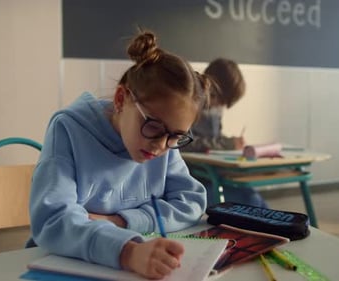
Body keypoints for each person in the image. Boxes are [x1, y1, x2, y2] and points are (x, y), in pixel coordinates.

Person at [28, 30, 212, 279]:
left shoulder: (163, 145)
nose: (160, 146)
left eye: (176, 136)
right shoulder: (69, 130)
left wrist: (122, 221)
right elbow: (53, 221)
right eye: (153, 126)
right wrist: (127, 252)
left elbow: (192, 201)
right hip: (62, 263)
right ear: (121, 99)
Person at [180, 58, 268, 208]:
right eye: (219, 99)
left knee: (250, 194)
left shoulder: (215, 109)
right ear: (211, 88)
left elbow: (214, 139)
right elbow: (183, 142)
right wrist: (227, 143)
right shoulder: (188, 101)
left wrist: (231, 142)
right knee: (251, 200)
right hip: (194, 179)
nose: (219, 105)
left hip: (212, 174)